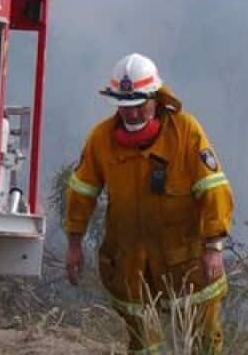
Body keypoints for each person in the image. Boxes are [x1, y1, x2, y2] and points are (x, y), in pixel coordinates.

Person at [64, 53, 233, 355]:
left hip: (187, 262)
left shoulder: (186, 133)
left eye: (139, 106)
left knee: (205, 341)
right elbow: (82, 192)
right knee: (144, 344)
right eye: (125, 107)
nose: (131, 115)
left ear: (155, 98)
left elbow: (214, 189)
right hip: (130, 263)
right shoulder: (101, 139)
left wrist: (213, 248)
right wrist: (74, 243)